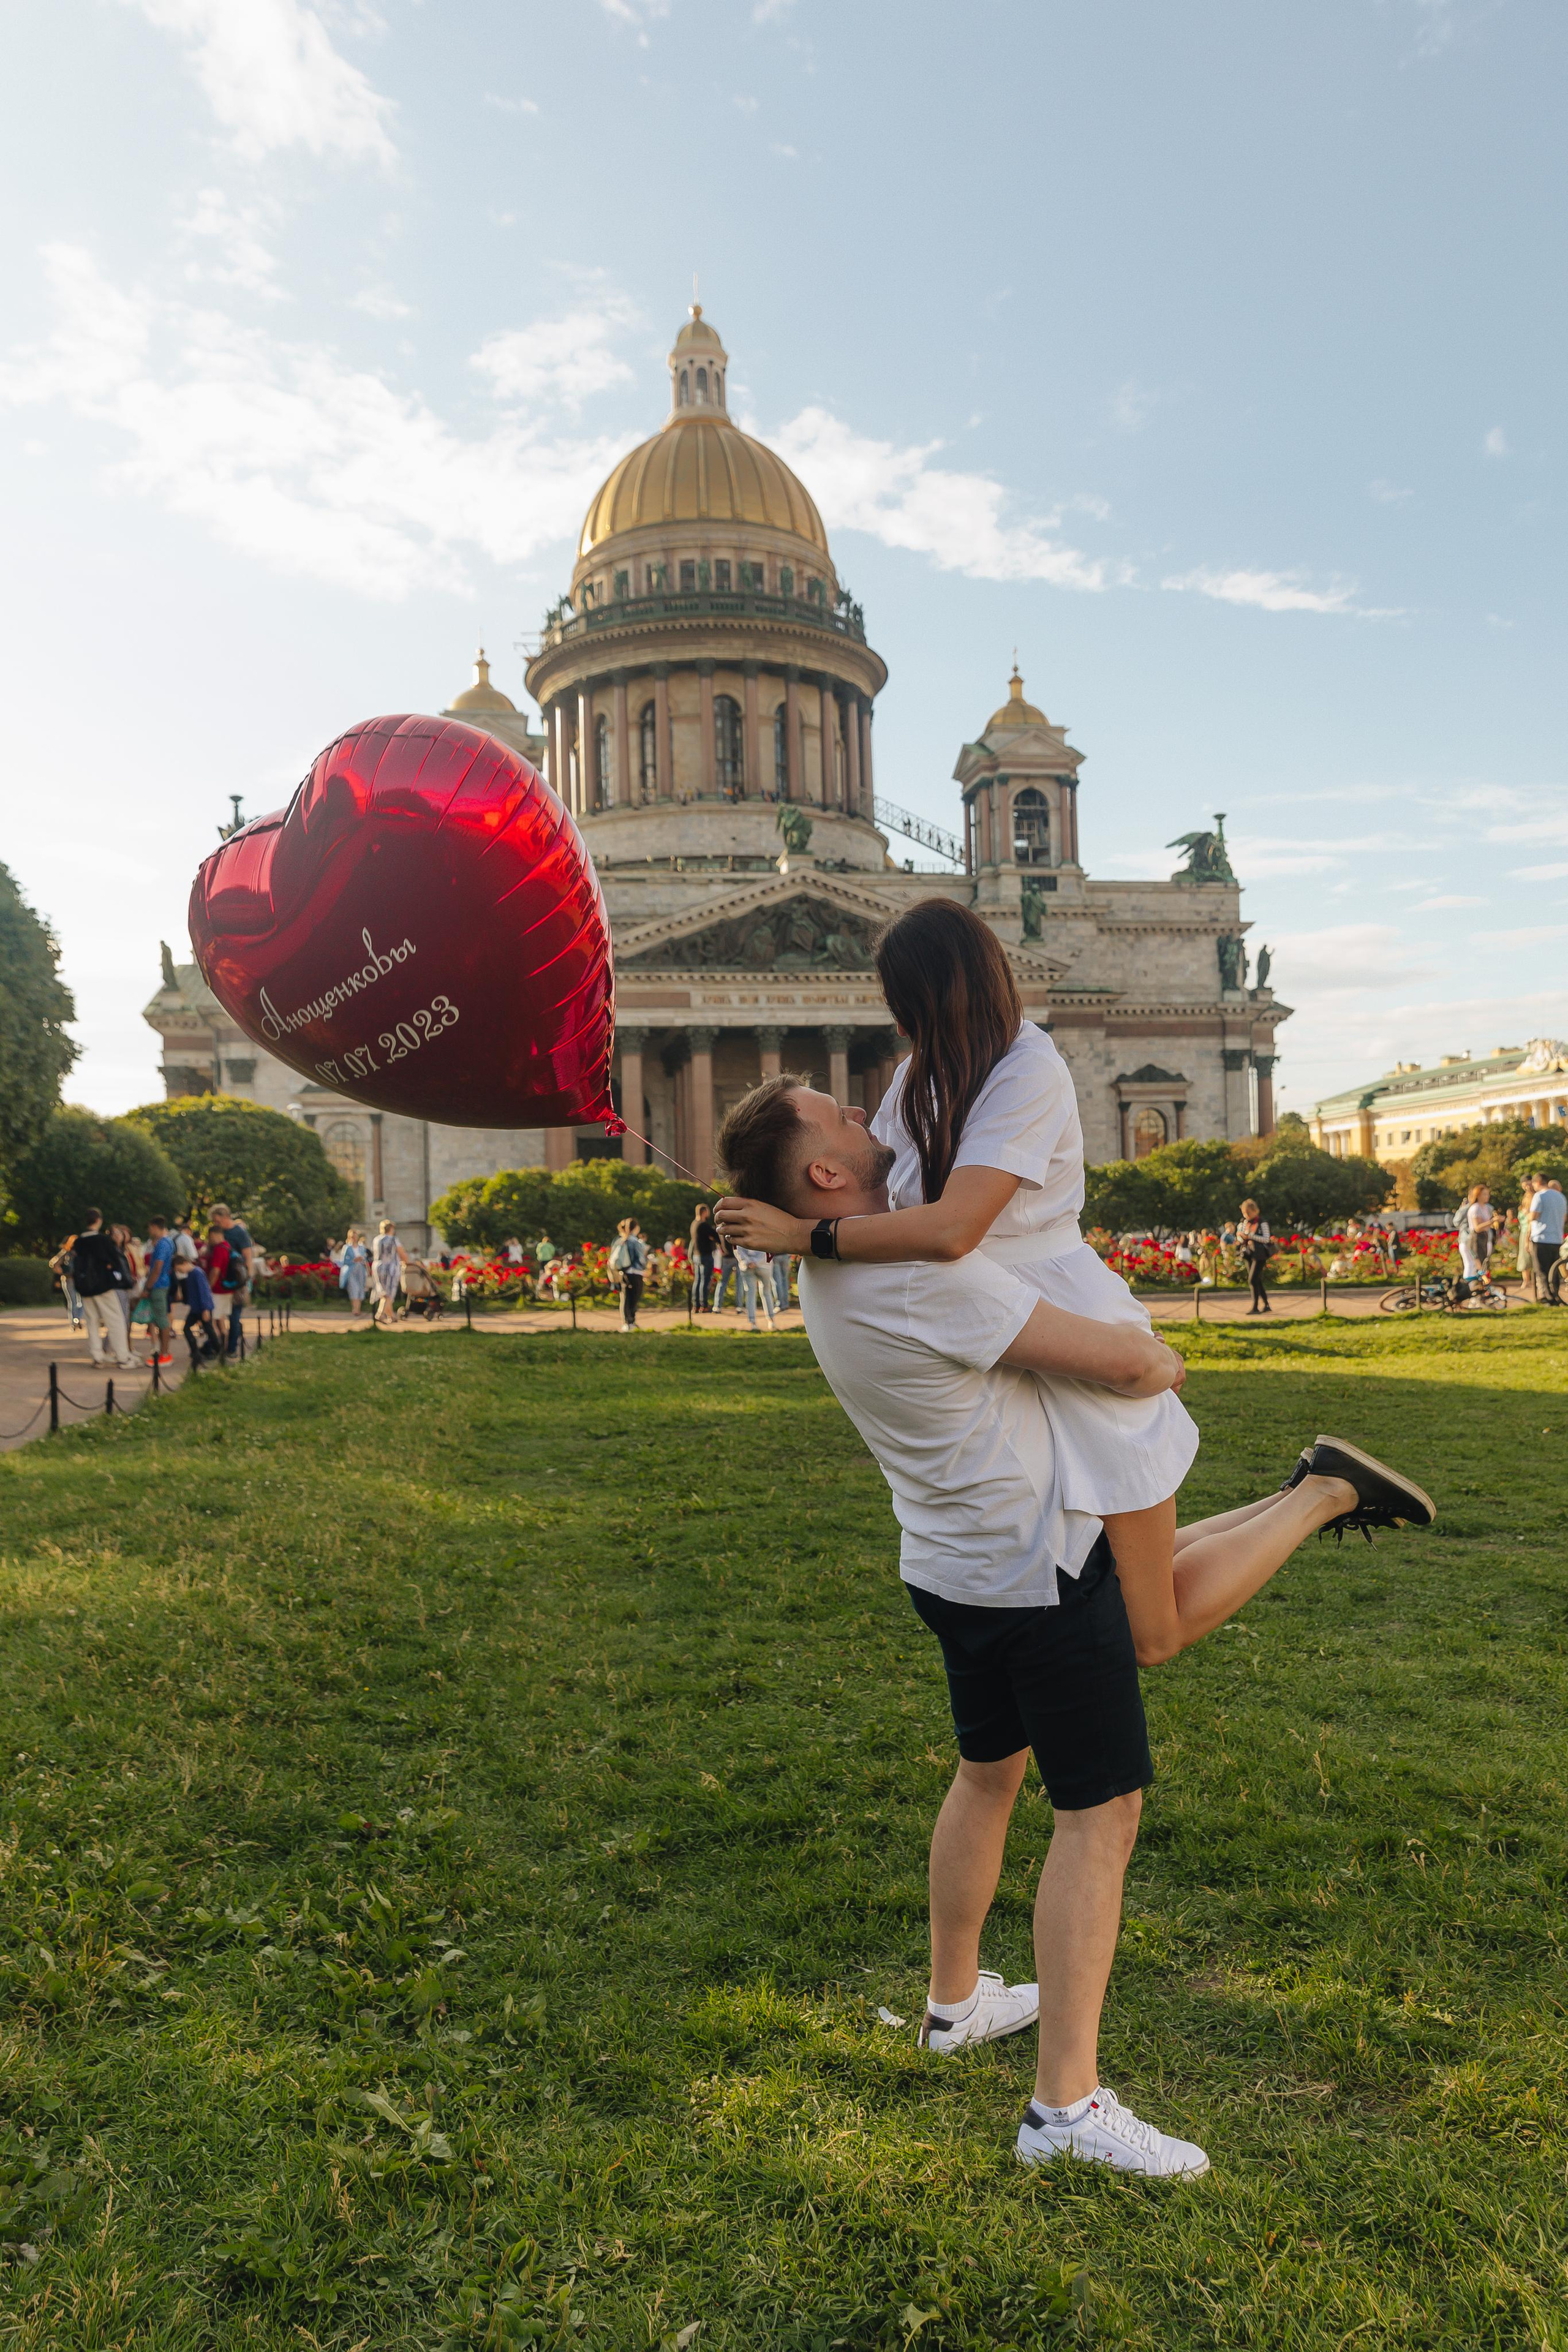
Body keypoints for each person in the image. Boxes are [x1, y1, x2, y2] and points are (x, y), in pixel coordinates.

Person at [715, 1074, 1435, 2177]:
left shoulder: (831, 1266)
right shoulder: (916, 1277)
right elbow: (1146, 1367)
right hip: (1033, 1567)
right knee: (1101, 1816)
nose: (871, 1117)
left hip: (950, 1567)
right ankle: (1065, 2110)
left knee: (988, 1774)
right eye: (845, 1119)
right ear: (824, 1174)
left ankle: (955, 2005)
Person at [68, 1210, 135, 1370]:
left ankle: (97, 1356)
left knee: (91, 1321)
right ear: (98, 1220)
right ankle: (123, 1356)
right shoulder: (103, 1240)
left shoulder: (79, 1242)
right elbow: (114, 1259)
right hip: (103, 1285)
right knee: (116, 1320)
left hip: (85, 1287)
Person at [210, 1204, 255, 1357]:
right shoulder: (219, 1233)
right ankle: (218, 1344)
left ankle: (232, 1348)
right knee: (217, 1314)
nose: (216, 1224)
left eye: (217, 1221)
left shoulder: (239, 1233)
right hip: (222, 1280)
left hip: (236, 1279)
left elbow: (248, 1256)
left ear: (225, 1217)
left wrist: (246, 1279)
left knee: (234, 1315)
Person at [143, 1216, 176, 1366]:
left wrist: (148, 1287)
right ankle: (164, 1352)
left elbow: (157, 1268)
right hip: (163, 1283)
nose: (150, 1231)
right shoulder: (168, 1242)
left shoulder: (162, 1244)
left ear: (156, 1227)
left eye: (150, 1228)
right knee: (160, 1318)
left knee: (162, 1319)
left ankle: (165, 1354)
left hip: (158, 1285)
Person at [1530, 1176, 1567, 1305]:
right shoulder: (1561, 1197)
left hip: (1541, 1237)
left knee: (1542, 1271)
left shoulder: (1539, 1196)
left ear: (1538, 1182)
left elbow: (1534, 1216)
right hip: (1556, 1238)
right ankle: (1556, 1295)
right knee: (1554, 1270)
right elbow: (1565, 1217)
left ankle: (1548, 1298)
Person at [609, 1217, 649, 1331]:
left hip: (624, 1272)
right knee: (633, 1298)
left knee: (626, 1297)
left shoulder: (621, 1240)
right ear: (636, 1228)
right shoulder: (634, 1241)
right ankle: (630, 1321)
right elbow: (640, 1259)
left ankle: (627, 1321)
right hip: (635, 1272)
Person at [181, 1251, 221, 1363]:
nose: (180, 1272)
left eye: (180, 1269)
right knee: (189, 1328)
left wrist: (206, 1309)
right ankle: (196, 1351)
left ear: (184, 1263)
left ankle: (218, 1349)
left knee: (209, 1329)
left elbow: (204, 1292)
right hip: (196, 1308)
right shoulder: (191, 1274)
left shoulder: (197, 1273)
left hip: (202, 1308)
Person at [1237, 1199, 1272, 1315]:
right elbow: (1242, 1238)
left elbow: (1266, 1239)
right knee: (1257, 1280)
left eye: (1248, 1213)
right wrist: (1241, 1237)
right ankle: (1266, 1304)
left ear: (1255, 1211)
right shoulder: (1245, 1223)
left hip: (1260, 1254)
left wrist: (1251, 1236)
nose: (1246, 1216)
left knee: (1252, 1280)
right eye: (1244, 1214)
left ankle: (1255, 1306)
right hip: (1249, 1253)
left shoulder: (1262, 1223)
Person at [1456, 1185, 1493, 1291]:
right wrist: (1492, 1221)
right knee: (1472, 1265)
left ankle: (1478, 1290)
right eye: (1484, 1194)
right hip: (1472, 1239)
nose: (1487, 1197)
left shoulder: (1486, 1207)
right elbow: (1457, 1222)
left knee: (1480, 1266)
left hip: (1483, 1238)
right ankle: (1468, 1290)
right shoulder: (1473, 1208)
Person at [736, 1242, 777, 1330]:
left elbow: (737, 1249)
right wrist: (757, 1262)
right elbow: (768, 1248)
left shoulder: (741, 1232)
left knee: (750, 1293)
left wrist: (748, 1261)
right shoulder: (764, 1231)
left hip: (746, 1266)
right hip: (764, 1265)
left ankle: (753, 1323)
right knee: (766, 1292)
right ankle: (771, 1320)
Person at [372, 1220, 407, 1323]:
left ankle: (391, 1316)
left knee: (383, 1292)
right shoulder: (393, 1240)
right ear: (391, 1229)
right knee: (389, 1294)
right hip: (390, 1268)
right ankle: (380, 1314)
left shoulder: (377, 1239)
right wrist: (406, 1261)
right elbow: (402, 1254)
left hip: (378, 1266)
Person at [690, 1203, 718, 1312]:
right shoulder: (703, 1225)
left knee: (697, 1281)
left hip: (696, 1255)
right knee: (705, 1281)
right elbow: (715, 1235)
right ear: (704, 1212)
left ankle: (695, 1305)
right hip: (705, 1255)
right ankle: (704, 1305)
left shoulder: (693, 1224)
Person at [339, 1229, 370, 1315]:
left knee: (360, 1289)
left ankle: (358, 1309)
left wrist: (364, 1263)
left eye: (356, 1236)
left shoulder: (362, 1248)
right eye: (353, 1237)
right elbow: (344, 1261)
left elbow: (365, 1260)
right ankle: (355, 1309)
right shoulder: (347, 1248)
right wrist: (354, 1260)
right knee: (354, 1289)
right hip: (351, 1270)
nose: (354, 1238)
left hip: (361, 1271)